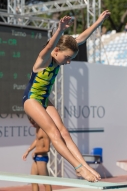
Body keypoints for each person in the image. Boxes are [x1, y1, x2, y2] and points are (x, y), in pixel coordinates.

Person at [23, 10, 110, 182]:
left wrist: (99, 22)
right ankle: (78, 169)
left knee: (64, 132)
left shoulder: (59, 54)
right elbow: (49, 47)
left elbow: (82, 38)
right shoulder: (44, 60)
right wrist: (60, 29)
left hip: (44, 100)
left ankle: (83, 165)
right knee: (54, 132)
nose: (68, 62)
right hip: (31, 99)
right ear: (56, 51)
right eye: (68, 58)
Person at [22, 116, 52, 191]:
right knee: (33, 181)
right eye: (31, 123)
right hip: (36, 158)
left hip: (42, 158)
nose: (32, 125)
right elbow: (37, 140)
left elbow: (47, 148)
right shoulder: (37, 129)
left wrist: (35, 151)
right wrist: (28, 150)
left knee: (46, 183)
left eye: (33, 123)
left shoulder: (44, 131)